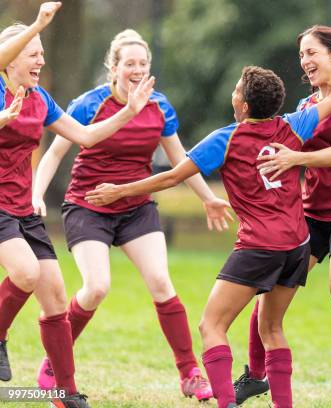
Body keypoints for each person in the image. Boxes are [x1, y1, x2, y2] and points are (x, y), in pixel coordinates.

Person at [84, 63, 331, 408]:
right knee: (271, 329)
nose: (233, 93)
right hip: (298, 245)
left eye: (237, 89)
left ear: (243, 105)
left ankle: (226, 403)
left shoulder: (226, 138)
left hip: (259, 246)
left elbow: (170, 177)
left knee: (211, 326)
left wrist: (119, 191)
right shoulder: (294, 125)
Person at [32, 29, 232, 402]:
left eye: (143, 63)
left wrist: (208, 198)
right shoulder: (89, 104)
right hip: (89, 206)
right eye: (129, 64)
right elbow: (56, 153)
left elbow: (180, 160)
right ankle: (53, 365)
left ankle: (189, 373)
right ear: (114, 67)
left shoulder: (160, 106)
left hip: (137, 208)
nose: (137, 70)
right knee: (96, 288)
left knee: (161, 283)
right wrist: (36, 193)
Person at [0, 6, 155, 408]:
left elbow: (85, 136)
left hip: (21, 207)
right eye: (33, 53)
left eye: (42, 53)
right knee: (26, 272)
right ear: (12, 56)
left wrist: (129, 111)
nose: (41, 60)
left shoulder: (40, 99)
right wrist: (37, 24)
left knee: (55, 298)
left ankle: (65, 393)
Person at [238, 25, 331, 408]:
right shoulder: (307, 106)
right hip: (311, 211)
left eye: (312, 52)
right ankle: (255, 376)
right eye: (302, 54)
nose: (305, 61)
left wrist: (294, 158)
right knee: (268, 294)